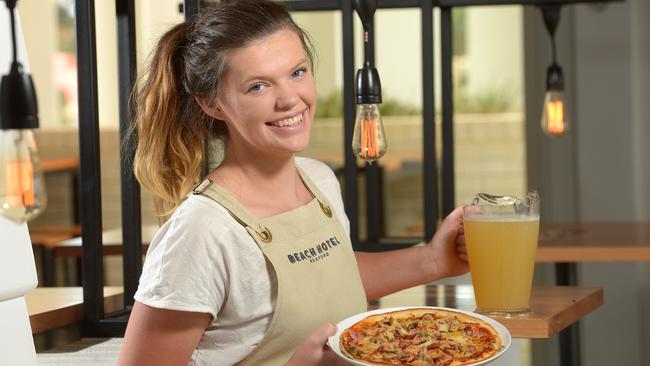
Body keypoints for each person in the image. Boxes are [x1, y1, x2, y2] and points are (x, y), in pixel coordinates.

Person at [118, 1, 469, 365]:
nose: (289, 99)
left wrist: (433, 259)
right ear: (211, 103)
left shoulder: (318, 180)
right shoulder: (203, 231)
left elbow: (330, 278)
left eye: (297, 72)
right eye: (258, 86)